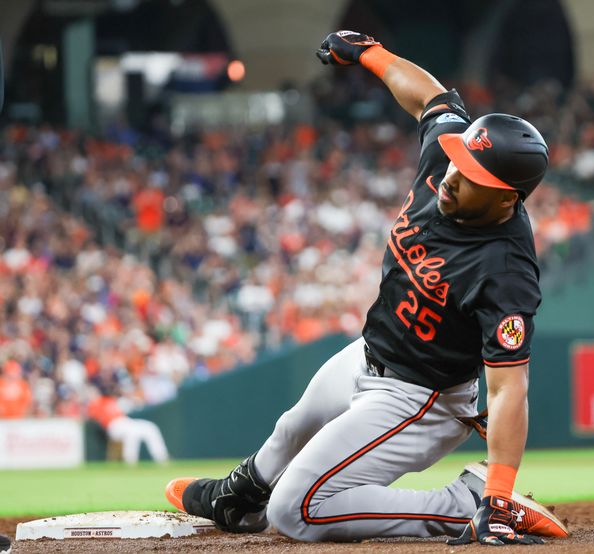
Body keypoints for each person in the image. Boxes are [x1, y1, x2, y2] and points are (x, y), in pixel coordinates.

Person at [166, 30, 567, 545]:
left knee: (295, 513)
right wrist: (371, 55)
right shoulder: (448, 157)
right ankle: (240, 497)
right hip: (371, 353)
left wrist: (501, 489)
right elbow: (431, 97)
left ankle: (463, 503)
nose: (451, 175)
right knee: (292, 428)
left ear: (506, 199)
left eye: (469, 175)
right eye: (457, 160)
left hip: (422, 396)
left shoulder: (505, 266)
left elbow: (510, 387)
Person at [87, 387, 170, 465]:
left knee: (150, 427)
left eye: (94, 392)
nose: (93, 394)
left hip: (125, 421)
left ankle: (162, 458)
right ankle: (130, 462)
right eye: (90, 393)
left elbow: (126, 405)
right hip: (113, 427)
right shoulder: (93, 405)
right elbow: (91, 417)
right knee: (132, 432)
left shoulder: (108, 400)